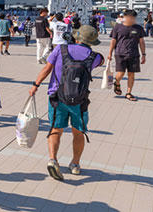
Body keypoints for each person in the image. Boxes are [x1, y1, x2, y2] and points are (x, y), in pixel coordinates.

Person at [29, 25, 104, 180]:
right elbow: (102, 60)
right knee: (78, 132)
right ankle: (75, 164)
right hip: (80, 101)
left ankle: (53, 160)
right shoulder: (93, 56)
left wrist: (35, 85)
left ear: (76, 37)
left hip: (57, 97)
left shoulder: (60, 50)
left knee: (56, 129)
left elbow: (46, 69)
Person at [108, 9, 147, 101]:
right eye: (131, 17)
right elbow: (113, 41)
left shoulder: (138, 28)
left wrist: (144, 54)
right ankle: (116, 82)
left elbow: (141, 42)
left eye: (134, 18)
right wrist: (109, 53)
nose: (133, 19)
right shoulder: (117, 27)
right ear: (125, 17)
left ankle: (128, 93)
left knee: (131, 74)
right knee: (120, 74)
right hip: (120, 54)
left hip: (134, 55)